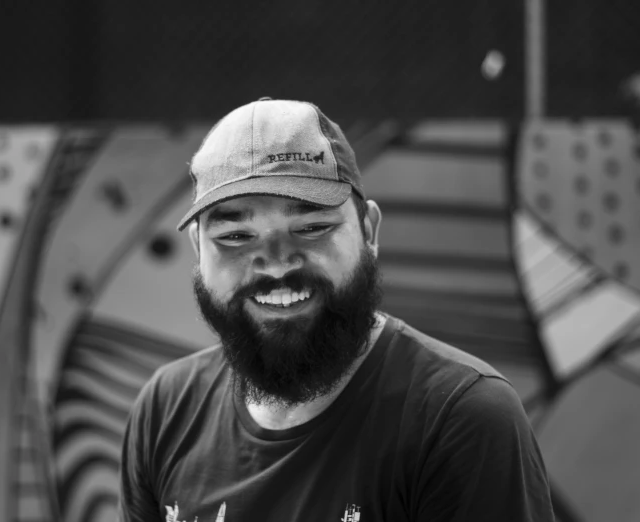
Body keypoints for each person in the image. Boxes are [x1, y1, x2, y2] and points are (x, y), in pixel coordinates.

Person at [117, 98, 555, 521]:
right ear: (198, 249)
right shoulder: (165, 410)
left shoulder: (459, 420)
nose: (275, 262)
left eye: (311, 228)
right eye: (235, 236)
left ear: (368, 230)